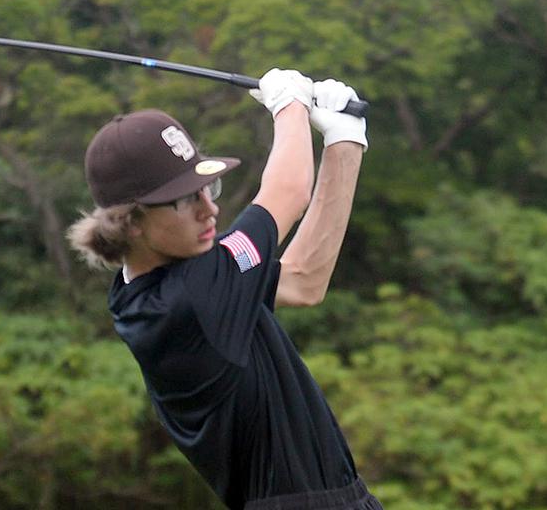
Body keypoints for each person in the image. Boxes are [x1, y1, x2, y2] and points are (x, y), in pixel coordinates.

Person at [67, 69, 382, 510]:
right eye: (184, 200)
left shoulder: (152, 291)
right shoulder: (191, 299)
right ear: (131, 222)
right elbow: (287, 192)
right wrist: (288, 102)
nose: (209, 209)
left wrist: (345, 142)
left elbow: (303, 280)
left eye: (206, 188)